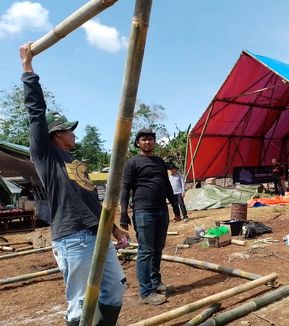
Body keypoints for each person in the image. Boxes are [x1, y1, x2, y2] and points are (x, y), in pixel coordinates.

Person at [20, 43, 127, 325]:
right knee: (79, 305)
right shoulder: (46, 155)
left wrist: (113, 228)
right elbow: (35, 113)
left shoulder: (72, 161)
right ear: (57, 133)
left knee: (115, 290)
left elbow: (90, 201)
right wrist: (28, 69)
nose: (74, 133)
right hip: (73, 238)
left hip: (97, 233)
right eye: (70, 129)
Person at [120, 128, 177, 305]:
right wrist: (123, 213)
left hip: (161, 211)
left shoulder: (160, 161)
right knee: (145, 251)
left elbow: (167, 185)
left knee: (158, 248)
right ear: (138, 143)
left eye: (151, 139)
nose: (148, 142)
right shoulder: (132, 163)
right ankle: (145, 292)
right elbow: (125, 188)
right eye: (144, 139)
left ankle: (155, 282)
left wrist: (176, 207)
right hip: (143, 212)